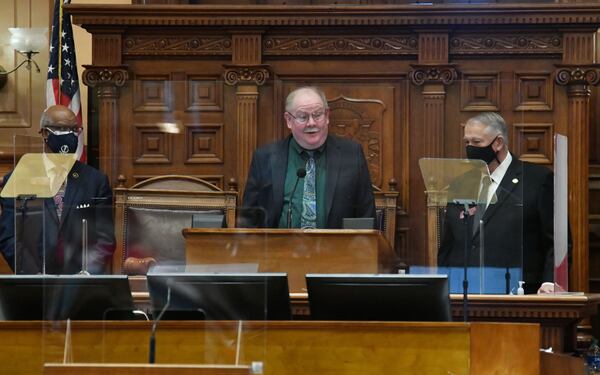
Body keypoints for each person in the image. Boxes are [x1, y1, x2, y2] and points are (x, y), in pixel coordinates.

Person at [437, 112, 555, 294]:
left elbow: (554, 241)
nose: (470, 148)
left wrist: (550, 283)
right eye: (466, 143)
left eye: (476, 143)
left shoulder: (537, 179)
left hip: (518, 292)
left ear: (498, 143)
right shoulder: (460, 183)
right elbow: (449, 243)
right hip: (465, 291)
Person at [0, 105, 115, 274]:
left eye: (74, 129)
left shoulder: (95, 181)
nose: (69, 134)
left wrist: (87, 274)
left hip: (82, 285)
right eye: (61, 128)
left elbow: (105, 238)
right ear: (45, 133)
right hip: (34, 284)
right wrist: (34, 276)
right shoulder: (18, 179)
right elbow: (9, 236)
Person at [242, 86, 376, 229]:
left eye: (317, 115)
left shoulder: (351, 154)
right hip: (279, 248)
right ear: (288, 120)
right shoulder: (265, 158)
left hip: (336, 248)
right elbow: (249, 219)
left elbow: (365, 215)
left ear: (327, 116)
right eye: (303, 117)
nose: (311, 123)